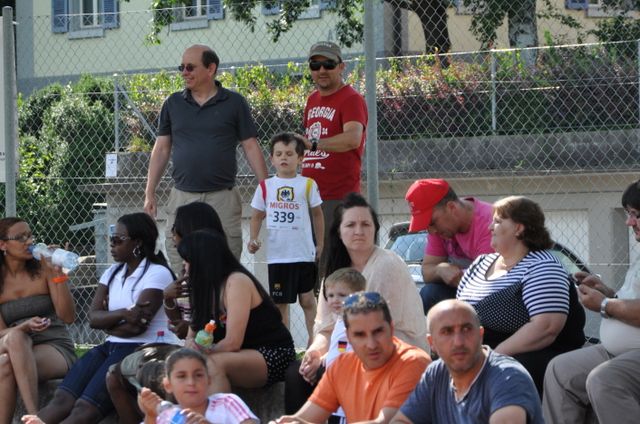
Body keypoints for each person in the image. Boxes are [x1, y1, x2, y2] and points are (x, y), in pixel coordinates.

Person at [285, 192, 428, 414]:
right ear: (339, 232)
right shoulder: (336, 270)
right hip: (348, 347)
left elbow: (374, 328)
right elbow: (326, 327)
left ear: (374, 229)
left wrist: (327, 359)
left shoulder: (387, 265)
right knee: (297, 373)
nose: (359, 231)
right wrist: (314, 353)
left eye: (365, 224)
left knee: (328, 370)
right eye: (351, 225)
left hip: (389, 348)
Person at [36, 213, 180, 423]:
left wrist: (108, 322)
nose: (112, 244)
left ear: (138, 243)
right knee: (61, 400)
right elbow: (93, 318)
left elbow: (136, 329)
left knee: (84, 408)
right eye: (111, 239)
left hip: (140, 346)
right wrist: (123, 314)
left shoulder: (157, 273)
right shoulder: (112, 272)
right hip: (110, 346)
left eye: (118, 240)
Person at [144, 44, 268, 267]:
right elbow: (161, 148)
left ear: (211, 69)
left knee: (226, 264)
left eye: (190, 67)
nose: (184, 72)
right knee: (179, 261)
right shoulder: (173, 103)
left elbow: (250, 146)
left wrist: (267, 189)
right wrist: (149, 192)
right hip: (182, 197)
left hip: (222, 198)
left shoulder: (234, 102)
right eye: (181, 67)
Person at [106, 202, 225, 424]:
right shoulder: (186, 269)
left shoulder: (217, 275)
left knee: (168, 377)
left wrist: (189, 329)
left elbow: (204, 329)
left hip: (202, 348)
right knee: (113, 374)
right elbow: (179, 327)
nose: (171, 234)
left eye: (175, 228)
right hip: (185, 345)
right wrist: (168, 299)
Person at [456, 196, 585, 394]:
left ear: (518, 228)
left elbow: (545, 328)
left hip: (524, 358)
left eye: (497, 221)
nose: (490, 227)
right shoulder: (481, 263)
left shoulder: (543, 266)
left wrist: (490, 359)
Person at [542, 179, 640, 424]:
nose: (629, 222)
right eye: (629, 214)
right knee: (560, 370)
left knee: (604, 380)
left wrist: (605, 305)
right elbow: (631, 302)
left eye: (636, 215)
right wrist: (607, 293)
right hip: (618, 351)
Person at [275, 292, 430, 423]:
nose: (371, 344)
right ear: (348, 337)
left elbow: (385, 421)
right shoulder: (342, 365)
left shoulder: (413, 362)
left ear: (392, 328)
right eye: (360, 335)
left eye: (378, 332)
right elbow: (304, 418)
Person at [178, 230, 295, 393]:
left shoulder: (236, 282)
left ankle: (220, 409)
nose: (184, 265)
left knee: (209, 364)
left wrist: (201, 351)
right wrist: (191, 344)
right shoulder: (204, 289)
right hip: (237, 353)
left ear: (202, 261)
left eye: (187, 260)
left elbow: (233, 342)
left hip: (271, 353)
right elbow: (191, 335)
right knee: (180, 365)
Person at [391, 299, 544, 424]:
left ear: (480, 335)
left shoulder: (508, 377)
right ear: (432, 343)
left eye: (466, 329)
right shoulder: (436, 373)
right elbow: (401, 421)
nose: (458, 342)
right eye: (447, 332)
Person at [300, 41, 368, 275]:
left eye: (328, 64)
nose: (321, 70)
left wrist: (315, 144)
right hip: (310, 196)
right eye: (315, 65)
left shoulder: (351, 98)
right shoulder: (312, 100)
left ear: (341, 66)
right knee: (311, 269)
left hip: (337, 198)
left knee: (334, 270)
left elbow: (353, 138)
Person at [248, 132, 324, 342]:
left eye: (290, 154)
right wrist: (253, 239)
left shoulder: (308, 184)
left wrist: (320, 243)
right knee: (280, 303)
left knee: (307, 300)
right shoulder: (265, 186)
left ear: (300, 158)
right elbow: (256, 216)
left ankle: (314, 343)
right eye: (279, 154)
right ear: (272, 159)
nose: (284, 158)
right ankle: (285, 346)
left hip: (303, 254)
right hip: (278, 256)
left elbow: (318, 215)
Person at [0, 218, 76, 422]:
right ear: (3, 245)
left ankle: (34, 417)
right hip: (12, 345)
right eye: (20, 238)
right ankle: (34, 417)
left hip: (53, 345)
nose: (29, 242)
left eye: (29, 235)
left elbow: (68, 317)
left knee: (5, 364)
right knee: (15, 340)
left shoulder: (44, 267)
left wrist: (58, 275)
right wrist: (24, 327)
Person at [405, 178, 494, 314]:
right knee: (429, 293)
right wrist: (440, 270)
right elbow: (427, 270)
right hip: (467, 290)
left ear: (451, 207)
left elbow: (484, 280)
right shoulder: (439, 229)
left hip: (491, 294)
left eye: (432, 223)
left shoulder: (489, 223)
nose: (431, 231)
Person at [138, 348, 258, 424]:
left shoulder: (227, 403)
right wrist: (151, 416)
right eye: (181, 376)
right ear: (168, 385)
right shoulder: (165, 417)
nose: (191, 382)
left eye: (198, 375)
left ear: (208, 380)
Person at [315, 267, 366, 423]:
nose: (335, 300)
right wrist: (328, 355)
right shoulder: (341, 319)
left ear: (359, 295)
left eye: (342, 295)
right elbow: (342, 345)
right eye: (330, 295)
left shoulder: (355, 322)